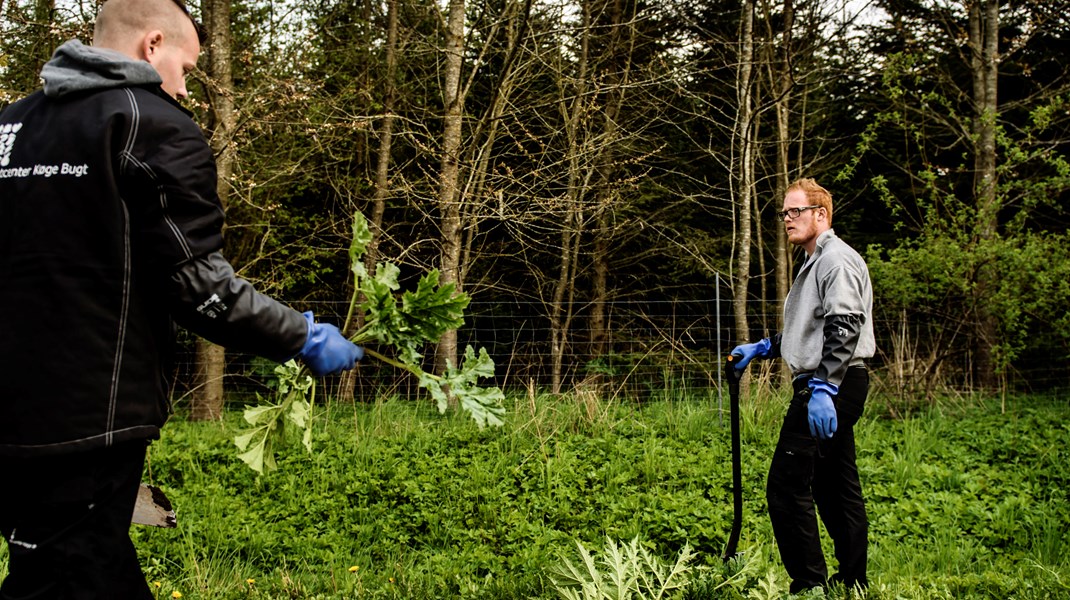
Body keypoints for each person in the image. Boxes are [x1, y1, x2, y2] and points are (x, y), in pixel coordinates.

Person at [0, 0, 363, 597]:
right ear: (152, 44)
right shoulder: (152, 122)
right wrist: (301, 335)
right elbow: (200, 285)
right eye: (188, 69)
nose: (187, 89)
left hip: (8, 411)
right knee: (62, 578)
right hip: (90, 419)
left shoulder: (13, 125)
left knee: (79, 565)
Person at [730, 178, 875, 594]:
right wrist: (763, 347)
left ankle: (809, 585)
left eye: (796, 212)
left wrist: (824, 389)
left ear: (821, 215)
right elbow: (811, 330)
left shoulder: (835, 260)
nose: (787, 220)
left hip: (831, 384)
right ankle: (852, 582)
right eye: (784, 213)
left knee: (786, 485)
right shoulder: (814, 261)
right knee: (834, 485)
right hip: (833, 381)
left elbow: (845, 325)